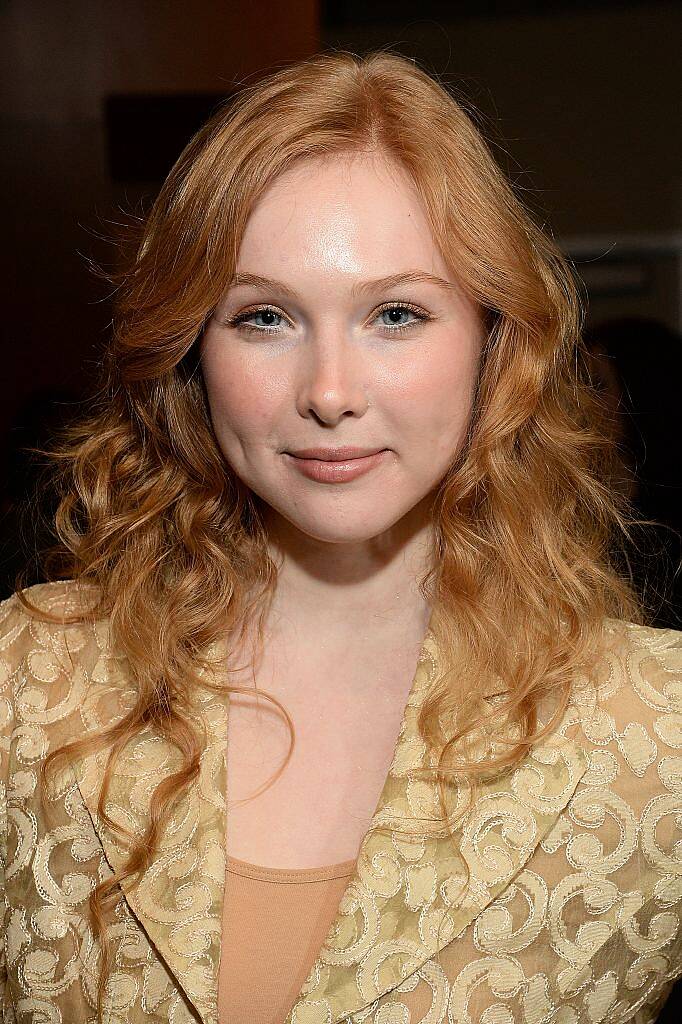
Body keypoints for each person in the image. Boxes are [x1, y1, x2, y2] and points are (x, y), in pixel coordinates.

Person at [1, 49, 680, 1024]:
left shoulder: (656, 736)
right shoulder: (25, 680)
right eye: (265, 317)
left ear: (494, 341)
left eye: (394, 314)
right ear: (192, 350)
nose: (328, 392)